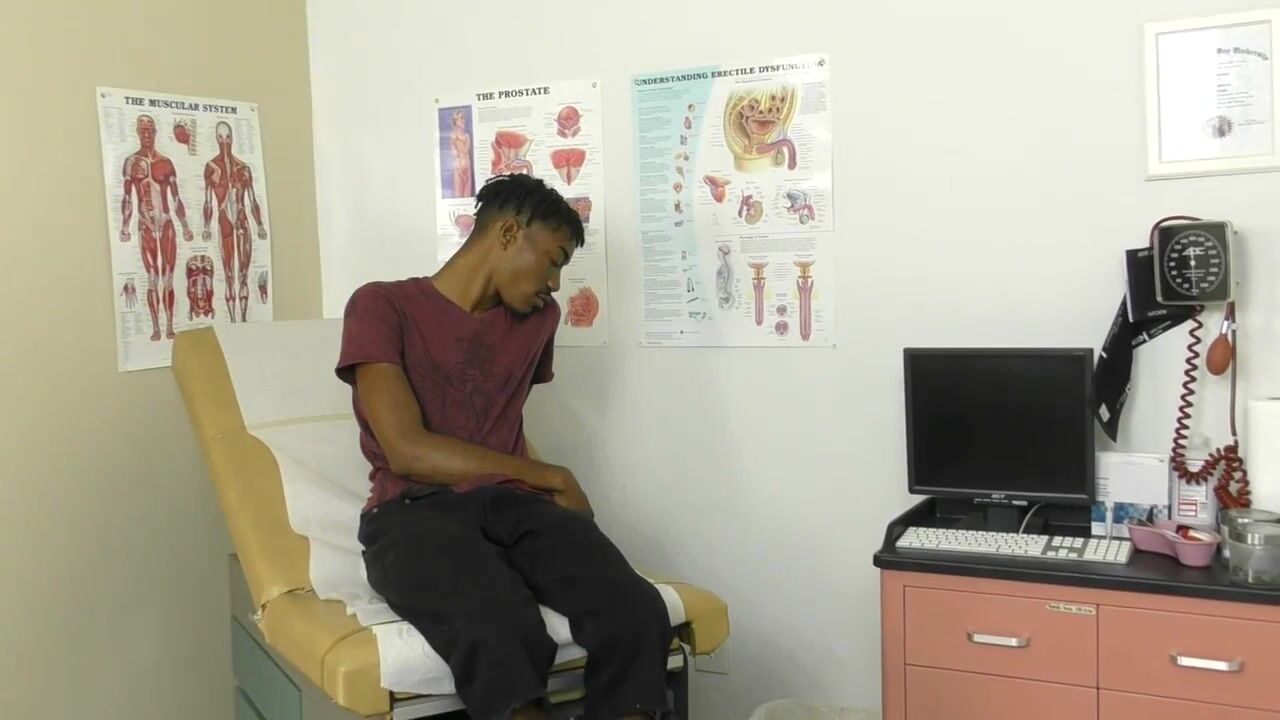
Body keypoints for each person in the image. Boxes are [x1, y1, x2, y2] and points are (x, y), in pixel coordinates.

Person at [335, 174, 673, 720]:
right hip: (410, 512)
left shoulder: (539, 319)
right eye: (555, 261)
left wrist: (541, 493)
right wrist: (553, 476)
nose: (556, 284)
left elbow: (496, 419)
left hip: (514, 506)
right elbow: (405, 449)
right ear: (510, 233)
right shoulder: (382, 305)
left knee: (636, 611)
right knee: (500, 628)